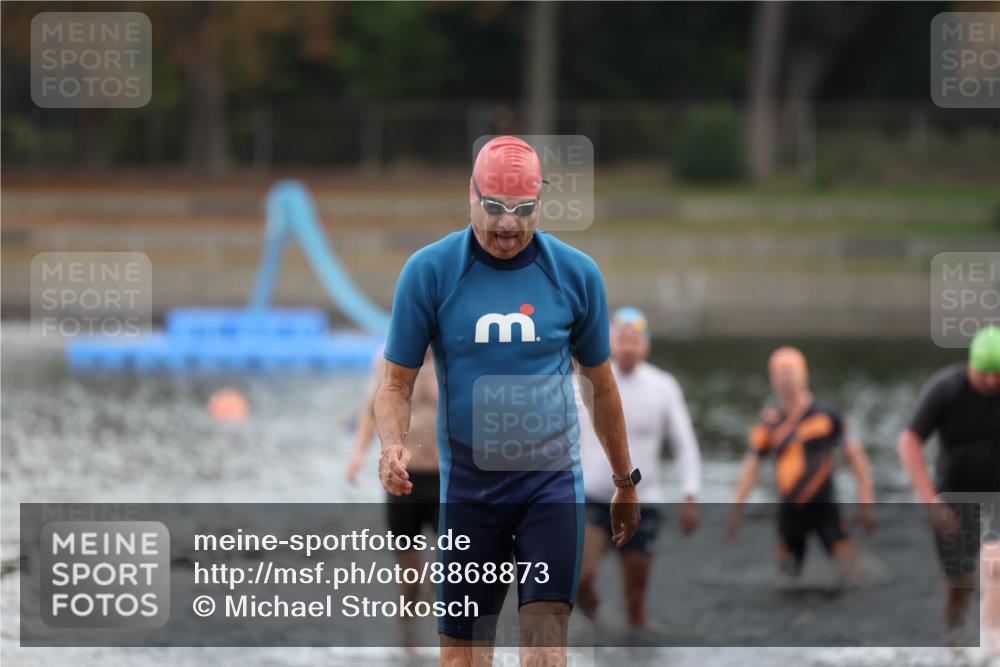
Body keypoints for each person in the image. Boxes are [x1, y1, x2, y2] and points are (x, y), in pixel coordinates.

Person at [373, 135, 640, 667]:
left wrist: (623, 479)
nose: (507, 226)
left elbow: (602, 387)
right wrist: (392, 446)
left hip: (549, 487)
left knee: (543, 653)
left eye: (522, 210)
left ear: (541, 201)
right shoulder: (430, 272)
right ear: (470, 195)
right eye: (494, 208)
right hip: (470, 493)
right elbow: (395, 384)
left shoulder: (576, 275)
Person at [575, 306, 702, 631]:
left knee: (635, 597)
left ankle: (634, 647)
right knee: (580, 579)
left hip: (644, 501)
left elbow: (684, 443)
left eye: (635, 340)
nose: (628, 347)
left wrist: (691, 494)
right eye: (621, 339)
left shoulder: (663, 385)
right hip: (593, 498)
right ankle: (602, 623)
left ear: (645, 345)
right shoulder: (586, 381)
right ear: (609, 342)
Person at [727, 346, 876, 579]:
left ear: (804, 374)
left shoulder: (827, 414)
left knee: (855, 575)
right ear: (772, 379)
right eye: (779, 373)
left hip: (825, 507)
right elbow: (752, 468)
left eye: (790, 371)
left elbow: (856, 457)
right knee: (788, 579)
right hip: (790, 511)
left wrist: (866, 500)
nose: (785, 379)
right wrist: (736, 509)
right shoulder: (769, 423)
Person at [897, 325, 1000, 655]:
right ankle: (955, 649)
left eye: (998, 375)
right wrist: (931, 501)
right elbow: (909, 441)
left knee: (995, 566)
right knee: (960, 583)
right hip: (953, 495)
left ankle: (993, 648)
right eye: (985, 374)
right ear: (971, 365)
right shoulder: (946, 388)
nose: (991, 382)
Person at [346, 346, 439, 653]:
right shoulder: (391, 358)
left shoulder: (453, 353)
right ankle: (406, 644)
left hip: (446, 480)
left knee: (453, 571)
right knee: (409, 583)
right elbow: (372, 408)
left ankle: (445, 644)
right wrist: (359, 454)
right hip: (403, 480)